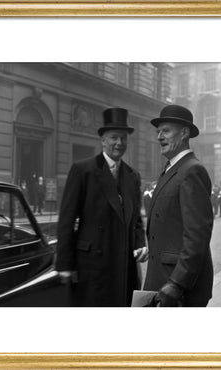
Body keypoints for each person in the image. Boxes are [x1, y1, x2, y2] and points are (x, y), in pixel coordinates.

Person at [55, 107, 148, 307]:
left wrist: (140, 243)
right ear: (103, 140)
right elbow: (66, 219)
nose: (119, 143)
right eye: (114, 137)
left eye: (123, 138)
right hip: (92, 264)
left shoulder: (133, 176)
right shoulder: (83, 170)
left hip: (123, 263)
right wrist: (65, 263)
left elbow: (137, 220)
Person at [143, 104, 214, 307]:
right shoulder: (172, 169)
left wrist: (177, 283)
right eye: (158, 132)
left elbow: (197, 235)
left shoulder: (192, 170)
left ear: (184, 133)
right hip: (162, 277)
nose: (159, 137)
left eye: (166, 131)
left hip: (178, 286)